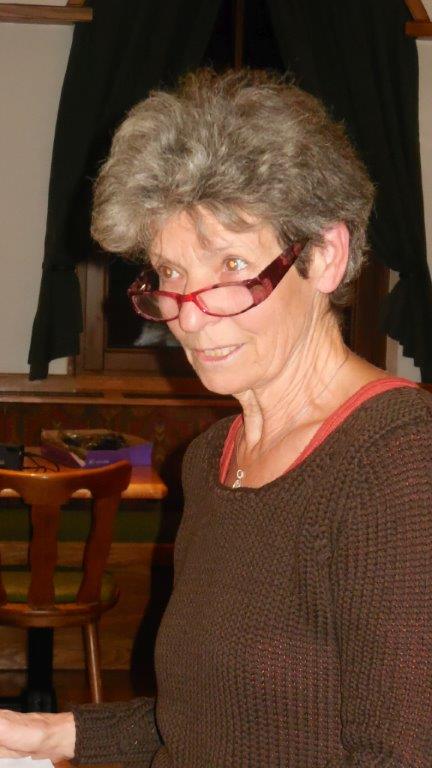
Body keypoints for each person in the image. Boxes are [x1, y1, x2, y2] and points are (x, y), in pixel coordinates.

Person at [0, 69, 431, 767]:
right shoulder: (213, 459)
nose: (191, 318)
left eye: (231, 265)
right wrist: (48, 734)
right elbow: (208, 718)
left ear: (325, 256)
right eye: (171, 274)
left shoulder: (397, 464)